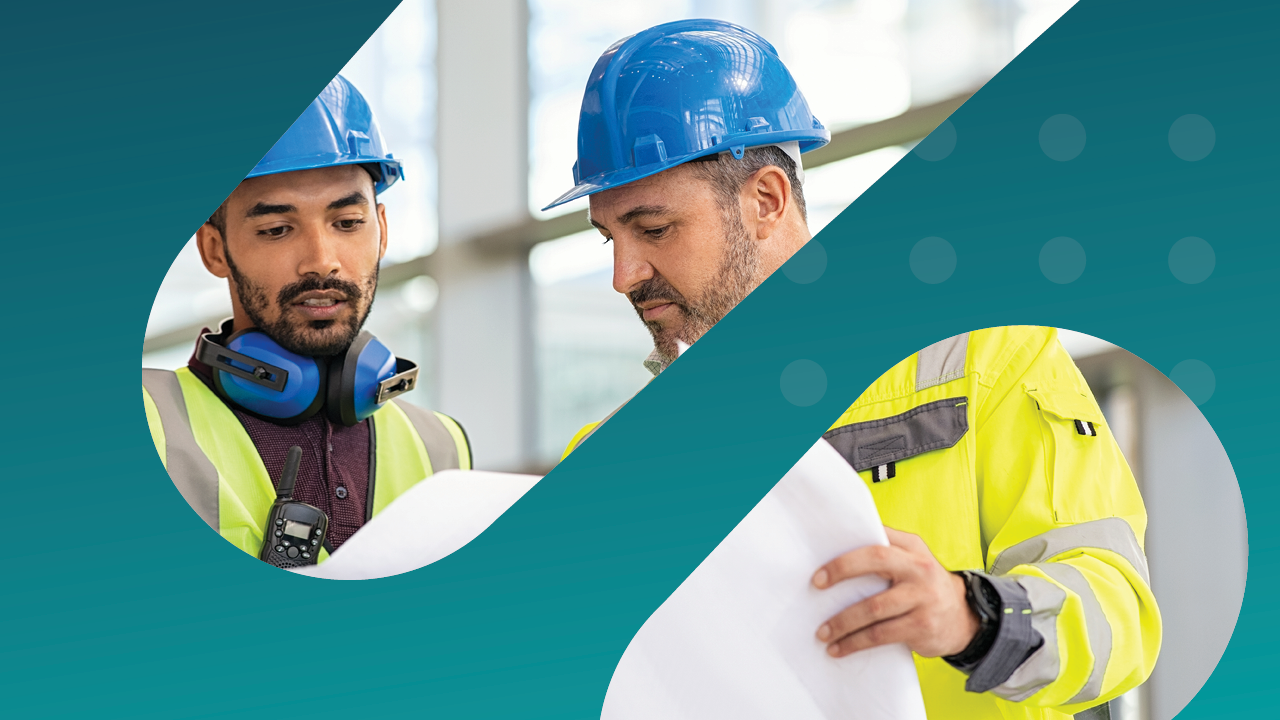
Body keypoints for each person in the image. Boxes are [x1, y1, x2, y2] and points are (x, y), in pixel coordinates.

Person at [549, 19, 1159, 720]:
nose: (625, 276)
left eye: (654, 229)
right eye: (609, 238)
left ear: (766, 200)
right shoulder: (612, 455)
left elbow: (1120, 615)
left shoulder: (981, 358)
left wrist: (970, 615)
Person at [142, 75, 471, 566]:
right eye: (277, 229)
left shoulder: (442, 447)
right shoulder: (148, 420)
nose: (322, 260)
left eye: (347, 224)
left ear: (381, 231)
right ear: (215, 250)